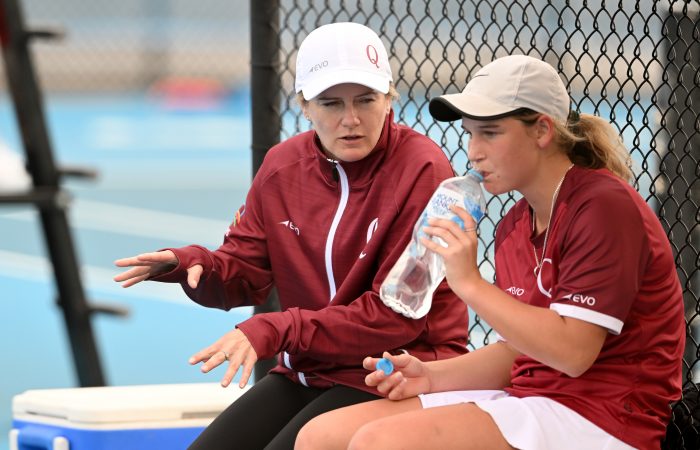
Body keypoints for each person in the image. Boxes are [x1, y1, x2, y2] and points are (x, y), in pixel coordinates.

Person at [294, 54, 686, 450]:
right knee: (319, 437)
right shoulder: (515, 223)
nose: (474, 151)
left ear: (542, 131)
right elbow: (516, 352)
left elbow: (574, 354)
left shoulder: (603, 206)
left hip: (606, 418)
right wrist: (430, 376)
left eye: (491, 133)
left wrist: (469, 282)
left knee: (380, 443)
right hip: (533, 400)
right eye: (470, 134)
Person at [113, 22, 469, 450]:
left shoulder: (422, 168)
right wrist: (193, 265)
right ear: (304, 105)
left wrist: (277, 329)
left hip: (399, 370)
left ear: (391, 96)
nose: (351, 119)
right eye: (331, 102)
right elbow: (243, 272)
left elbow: (393, 319)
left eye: (366, 100)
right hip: (309, 371)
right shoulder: (283, 167)